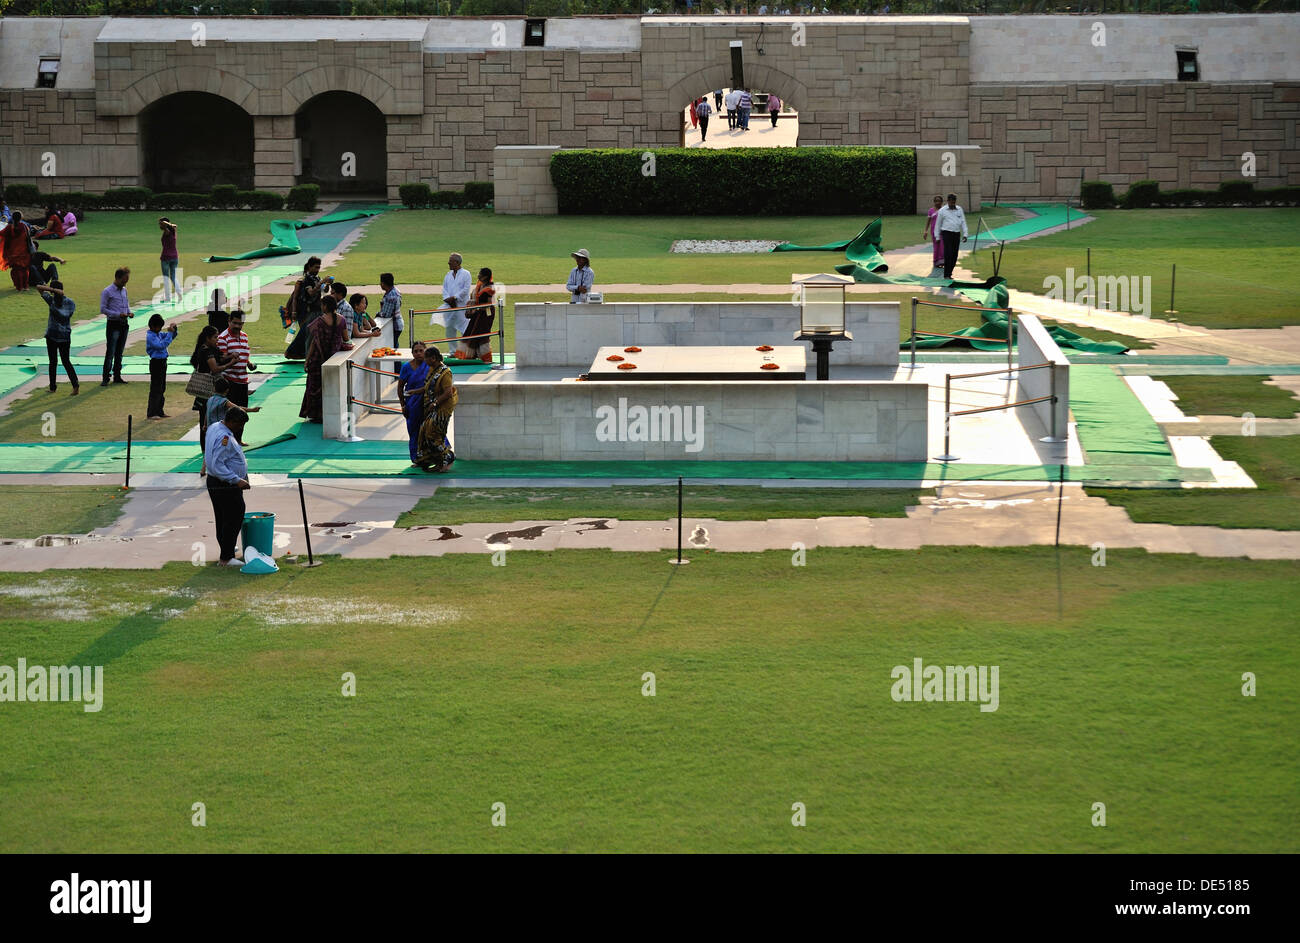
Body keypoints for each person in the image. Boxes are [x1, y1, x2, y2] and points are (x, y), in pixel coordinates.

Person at [205, 407, 251, 567]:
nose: (241, 429)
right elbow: (217, 464)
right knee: (234, 516)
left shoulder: (215, 426)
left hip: (216, 482)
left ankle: (227, 546)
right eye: (239, 425)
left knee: (223, 517)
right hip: (224, 484)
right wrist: (236, 480)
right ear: (231, 422)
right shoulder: (224, 436)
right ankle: (226, 557)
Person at [299, 295, 350, 423]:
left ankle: (316, 415)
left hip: (318, 359)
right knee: (330, 387)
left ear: (325, 306)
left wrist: (307, 360)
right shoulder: (342, 319)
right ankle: (329, 414)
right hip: (334, 358)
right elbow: (346, 338)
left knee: (314, 387)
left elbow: (314, 343)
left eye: (322, 305)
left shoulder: (319, 321)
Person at [190, 325, 229, 476]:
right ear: (208, 338)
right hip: (208, 391)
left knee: (206, 422)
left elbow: (220, 356)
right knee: (208, 422)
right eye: (215, 337)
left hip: (206, 393)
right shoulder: (206, 351)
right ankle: (207, 452)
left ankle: (206, 454)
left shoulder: (207, 349)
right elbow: (215, 369)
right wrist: (230, 363)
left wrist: (229, 356)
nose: (217, 339)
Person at [413, 346, 457, 473]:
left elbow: (448, 393)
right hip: (432, 407)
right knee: (424, 432)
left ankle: (447, 457)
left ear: (433, 358)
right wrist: (415, 391)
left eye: (426, 357)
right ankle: (435, 461)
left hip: (442, 409)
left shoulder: (445, 372)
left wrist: (436, 403)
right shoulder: (432, 369)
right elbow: (428, 387)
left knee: (433, 433)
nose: (424, 360)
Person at [35, 281, 79, 395]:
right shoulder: (70, 302)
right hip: (65, 336)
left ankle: (53, 387)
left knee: (53, 362)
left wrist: (51, 290)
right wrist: (54, 290)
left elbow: (38, 288)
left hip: (52, 335)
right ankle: (75, 386)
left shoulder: (52, 300)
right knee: (66, 361)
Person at [285, 257, 330, 360]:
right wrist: (294, 311)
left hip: (317, 310)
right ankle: (301, 355)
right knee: (307, 335)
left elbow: (324, 291)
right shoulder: (306, 280)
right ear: (309, 266)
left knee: (311, 334)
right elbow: (310, 293)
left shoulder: (317, 278)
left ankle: (309, 355)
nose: (317, 269)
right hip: (307, 312)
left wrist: (327, 284)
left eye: (319, 267)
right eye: (315, 267)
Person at [398, 341, 431, 464]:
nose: (418, 353)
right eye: (415, 351)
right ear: (412, 353)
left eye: (421, 350)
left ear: (425, 351)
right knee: (414, 431)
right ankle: (416, 458)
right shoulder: (406, 367)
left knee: (430, 429)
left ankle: (432, 455)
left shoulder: (431, 365)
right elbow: (400, 387)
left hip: (427, 402)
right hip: (412, 404)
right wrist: (403, 405)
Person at [100, 266, 132, 385]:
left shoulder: (124, 290)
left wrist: (129, 312)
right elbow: (103, 309)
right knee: (111, 351)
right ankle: (105, 377)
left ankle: (117, 375)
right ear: (117, 278)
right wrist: (118, 314)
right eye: (124, 281)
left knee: (120, 352)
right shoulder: (107, 291)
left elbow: (126, 303)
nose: (125, 283)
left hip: (124, 324)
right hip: (113, 324)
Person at [216, 308, 254, 408]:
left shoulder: (244, 336)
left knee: (242, 413)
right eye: (235, 323)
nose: (237, 326)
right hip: (229, 382)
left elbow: (244, 354)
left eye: (240, 324)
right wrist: (231, 357)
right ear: (229, 321)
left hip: (243, 381)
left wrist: (249, 364)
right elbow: (220, 360)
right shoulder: (223, 338)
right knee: (231, 416)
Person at [457, 267, 496, 361]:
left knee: (482, 334)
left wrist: (476, 307)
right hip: (478, 313)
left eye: (480, 274)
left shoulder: (489, 289)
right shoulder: (480, 285)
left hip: (486, 315)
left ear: (485, 277)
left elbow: (489, 304)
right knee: (472, 332)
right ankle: (472, 355)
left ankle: (485, 357)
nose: (478, 275)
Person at [145, 314, 178, 419]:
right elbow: (161, 346)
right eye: (159, 327)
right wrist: (169, 333)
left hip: (162, 362)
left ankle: (159, 411)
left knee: (162, 387)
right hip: (156, 363)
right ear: (154, 326)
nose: (160, 329)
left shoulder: (158, 333)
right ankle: (152, 413)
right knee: (155, 388)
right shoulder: (151, 336)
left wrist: (174, 330)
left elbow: (170, 337)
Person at [935, 192, 969, 279]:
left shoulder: (959, 209)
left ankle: (949, 273)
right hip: (946, 233)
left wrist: (965, 234)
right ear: (948, 201)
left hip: (956, 234)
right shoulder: (942, 210)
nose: (952, 204)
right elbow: (938, 224)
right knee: (948, 254)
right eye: (951, 202)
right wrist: (937, 237)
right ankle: (946, 274)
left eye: (954, 202)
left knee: (954, 255)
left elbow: (963, 222)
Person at [439, 253, 472, 340]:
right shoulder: (448, 275)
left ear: (457, 262)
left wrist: (455, 298)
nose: (448, 263)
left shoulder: (466, 274)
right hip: (450, 306)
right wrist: (447, 299)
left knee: (465, 329)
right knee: (450, 330)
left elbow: (466, 290)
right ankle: (452, 352)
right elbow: (444, 289)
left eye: (450, 261)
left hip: (462, 306)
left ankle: (465, 351)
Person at [0, 211, 32, 291]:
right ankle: (25, 286)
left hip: (12, 253)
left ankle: (19, 286)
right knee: (24, 269)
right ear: (21, 218)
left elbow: (1, 234)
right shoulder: (24, 226)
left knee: (15, 270)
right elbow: (28, 237)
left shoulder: (9, 228)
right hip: (24, 252)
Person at [378, 273, 403, 349]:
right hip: (397, 324)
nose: (380, 284)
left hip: (394, 326)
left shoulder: (391, 296)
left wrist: (378, 314)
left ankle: (396, 361)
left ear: (383, 283)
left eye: (381, 282)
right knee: (394, 346)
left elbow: (386, 314)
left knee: (392, 348)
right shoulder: (395, 291)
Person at [159, 217, 180, 303]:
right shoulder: (173, 231)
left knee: (166, 278)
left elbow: (168, 228)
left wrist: (164, 224)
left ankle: (168, 297)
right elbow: (174, 226)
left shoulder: (167, 232)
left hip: (166, 258)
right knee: (173, 277)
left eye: (160, 224)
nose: (159, 225)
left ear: (164, 225)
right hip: (175, 257)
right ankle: (180, 295)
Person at [923, 194, 944, 271]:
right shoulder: (931, 210)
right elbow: (928, 222)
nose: (937, 202)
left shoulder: (944, 210)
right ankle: (936, 262)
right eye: (936, 201)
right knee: (936, 246)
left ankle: (942, 261)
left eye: (939, 201)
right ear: (934, 202)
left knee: (942, 246)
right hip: (934, 231)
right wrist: (925, 231)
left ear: (942, 202)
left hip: (942, 231)